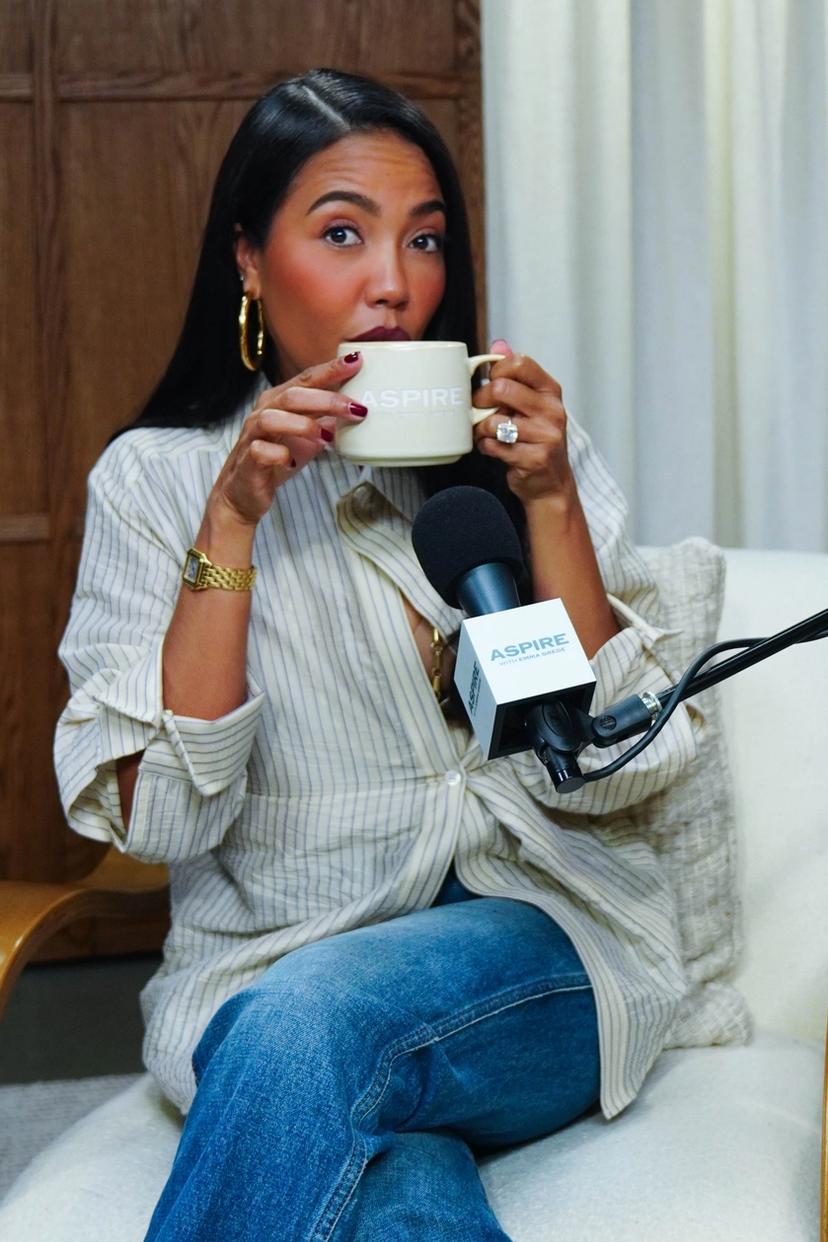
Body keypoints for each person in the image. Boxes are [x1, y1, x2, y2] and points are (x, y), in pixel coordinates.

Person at [55, 68, 703, 1241]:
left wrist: (549, 501)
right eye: (343, 234)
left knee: (311, 1023)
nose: (395, 283)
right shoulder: (156, 484)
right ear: (249, 261)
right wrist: (233, 522)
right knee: (400, 1195)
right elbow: (164, 824)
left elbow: (623, 770)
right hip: (269, 964)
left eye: (426, 239)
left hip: (542, 948)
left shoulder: (514, 455)